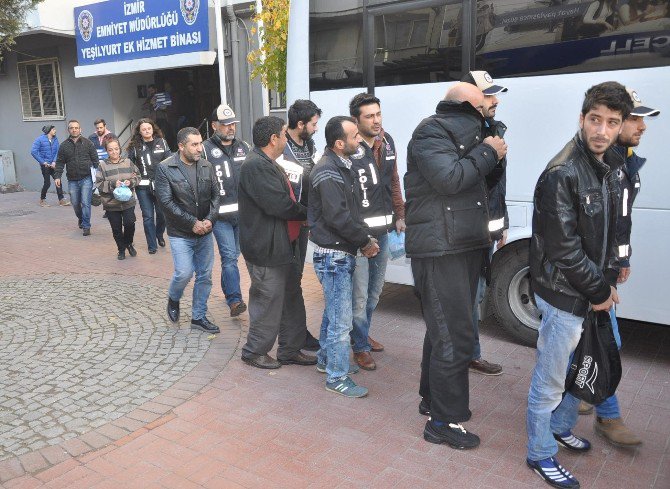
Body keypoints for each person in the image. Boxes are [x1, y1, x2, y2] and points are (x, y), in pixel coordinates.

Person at [526, 82, 631, 489]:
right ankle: (539, 452)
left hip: (590, 291)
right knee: (551, 377)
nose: (602, 130)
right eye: (595, 120)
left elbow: (607, 229)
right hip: (565, 295)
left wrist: (614, 268)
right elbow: (565, 251)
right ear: (582, 118)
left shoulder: (609, 163)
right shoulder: (563, 171)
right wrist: (601, 292)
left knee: (587, 362)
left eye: (611, 122)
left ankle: (560, 426)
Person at [405, 82, 507, 449]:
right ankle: (443, 422)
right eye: (484, 105)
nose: (490, 108)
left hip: (461, 244)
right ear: (466, 105)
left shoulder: (475, 133)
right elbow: (449, 179)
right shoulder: (431, 129)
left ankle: (432, 400)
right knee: (456, 336)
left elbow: (482, 179)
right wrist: (486, 151)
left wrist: (493, 154)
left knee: (443, 330)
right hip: (439, 249)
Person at [577, 87, 660, 447]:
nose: (642, 126)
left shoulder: (624, 163)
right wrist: (599, 278)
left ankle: (581, 395)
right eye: (635, 118)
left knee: (587, 344)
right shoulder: (596, 164)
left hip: (601, 271)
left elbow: (619, 221)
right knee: (604, 342)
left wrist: (621, 259)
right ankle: (605, 417)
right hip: (583, 273)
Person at [309, 116, 380, 398]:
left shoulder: (338, 165)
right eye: (353, 136)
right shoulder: (328, 172)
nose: (359, 139)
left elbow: (348, 213)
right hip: (334, 257)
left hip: (337, 254)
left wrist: (363, 238)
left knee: (333, 313)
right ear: (339, 144)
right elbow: (339, 217)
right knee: (341, 322)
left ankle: (326, 361)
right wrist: (364, 241)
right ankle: (336, 377)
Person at [238, 116, 315, 369]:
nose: (286, 137)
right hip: (266, 248)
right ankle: (254, 351)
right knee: (268, 299)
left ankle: (290, 349)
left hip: (283, 245)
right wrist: (309, 213)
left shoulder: (267, 163)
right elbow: (278, 204)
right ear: (273, 139)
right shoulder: (255, 165)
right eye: (283, 133)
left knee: (291, 296)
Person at [347, 93, 405, 371]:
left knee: (374, 292)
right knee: (358, 294)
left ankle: (362, 332)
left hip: (383, 230)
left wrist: (400, 214)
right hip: (359, 237)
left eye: (378, 114)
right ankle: (359, 346)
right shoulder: (349, 146)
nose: (376, 120)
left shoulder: (387, 141)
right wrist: (358, 236)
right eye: (369, 116)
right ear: (356, 121)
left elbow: (393, 179)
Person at [461, 71, 508, 377]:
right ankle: (463, 355)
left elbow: (498, 184)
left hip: (486, 231)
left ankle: (469, 354)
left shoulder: (496, 129)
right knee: (465, 298)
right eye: (489, 95)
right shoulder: (462, 133)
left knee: (476, 296)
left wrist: (502, 223)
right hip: (466, 234)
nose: (496, 100)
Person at [154, 127, 220, 334]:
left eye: (200, 143)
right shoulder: (165, 168)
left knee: (205, 275)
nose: (200, 148)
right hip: (181, 233)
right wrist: (192, 222)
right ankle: (174, 298)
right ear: (181, 146)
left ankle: (198, 317)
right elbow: (165, 202)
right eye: (194, 144)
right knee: (184, 273)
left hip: (205, 231)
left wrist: (209, 219)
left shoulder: (207, 166)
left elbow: (216, 196)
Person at [277, 99, 323, 351]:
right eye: (313, 124)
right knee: (288, 280)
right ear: (300, 124)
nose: (316, 128)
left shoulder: (310, 143)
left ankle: (296, 332)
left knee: (295, 279)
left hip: (304, 221)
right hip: (287, 223)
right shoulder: (282, 147)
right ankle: (292, 335)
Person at [202, 104, 250, 317]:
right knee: (229, 257)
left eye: (233, 124)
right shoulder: (203, 149)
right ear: (214, 126)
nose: (231, 128)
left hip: (243, 216)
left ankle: (229, 292)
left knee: (233, 256)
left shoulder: (244, 147)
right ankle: (234, 300)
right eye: (226, 124)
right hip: (219, 216)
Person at [127, 118, 171, 254]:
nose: (146, 131)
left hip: (160, 185)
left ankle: (159, 234)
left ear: (153, 129)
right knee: (148, 217)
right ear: (139, 132)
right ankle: (152, 245)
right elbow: (130, 165)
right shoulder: (135, 147)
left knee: (162, 215)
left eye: (149, 128)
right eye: (143, 129)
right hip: (143, 187)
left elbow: (169, 161)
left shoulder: (162, 142)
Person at [95, 138, 140, 260]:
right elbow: (98, 183)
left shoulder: (128, 162)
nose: (114, 152)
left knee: (130, 223)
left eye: (116, 149)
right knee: (116, 228)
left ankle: (128, 243)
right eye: (110, 150)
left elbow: (138, 177)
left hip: (128, 201)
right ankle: (121, 249)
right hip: (111, 203)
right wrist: (113, 184)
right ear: (107, 151)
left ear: (119, 148)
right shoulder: (102, 165)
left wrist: (130, 182)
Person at [54, 120, 100, 236]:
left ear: (80, 129)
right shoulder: (64, 145)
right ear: (68, 130)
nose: (74, 129)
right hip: (72, 179)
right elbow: (59, 162)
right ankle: (81, 218)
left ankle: (86, 225)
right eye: (71, 128)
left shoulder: (88, 143)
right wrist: (57, 176)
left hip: (86, 178)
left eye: (76, 127)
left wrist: (99, 176)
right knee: (75, 203)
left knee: (85, 202)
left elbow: (95, 161)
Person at [31, 125, 69, 207]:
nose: (55, 130)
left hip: (53, 165)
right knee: (47, 183)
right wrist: (43, 162)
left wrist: (54, 162)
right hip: (45, 165)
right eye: (53, 129)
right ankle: (42, 199)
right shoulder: (39, 140)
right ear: (49, 131)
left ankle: (61, 200)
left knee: (58, 181)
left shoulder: (55, 139)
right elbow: (33, 152)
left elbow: (58, 151)